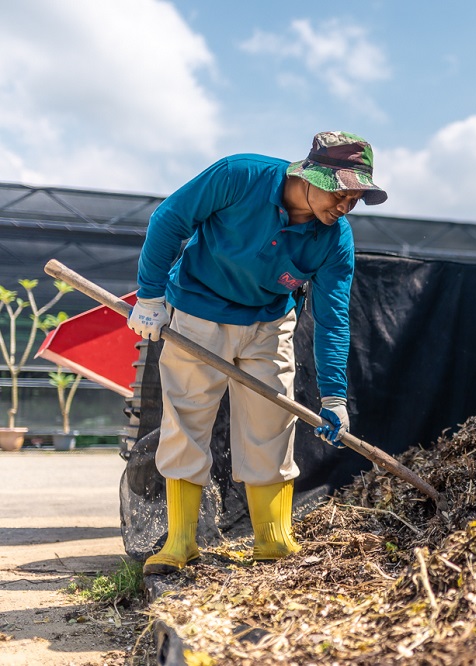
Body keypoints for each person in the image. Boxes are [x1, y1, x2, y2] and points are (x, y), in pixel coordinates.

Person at [128, 131, 387, 575]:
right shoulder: (239, 175)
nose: (346, 204)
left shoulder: (334, 240)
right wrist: (150, 297)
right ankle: (180, 542)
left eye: (356, 196)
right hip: (198, 314)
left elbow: (332, 319)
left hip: (268, 326)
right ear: (310, 175)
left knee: (272, 426)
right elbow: (170, 219)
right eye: (340, 190)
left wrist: (334, 398)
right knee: (186, 422)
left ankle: (273, 541)